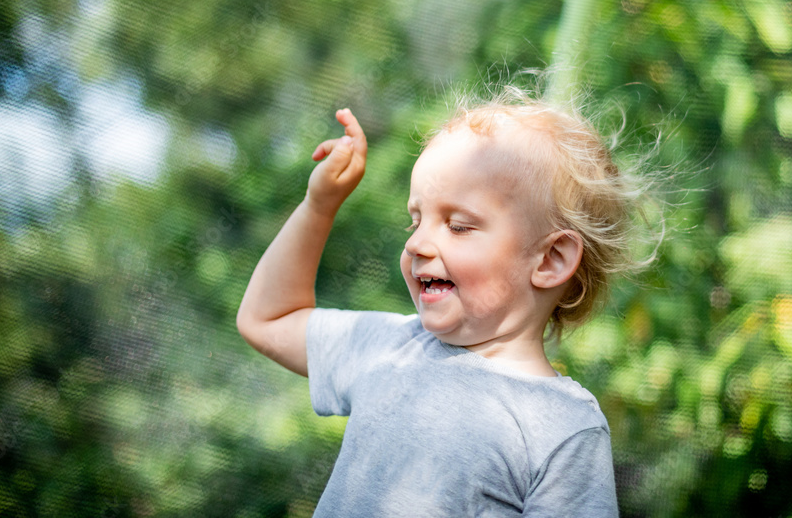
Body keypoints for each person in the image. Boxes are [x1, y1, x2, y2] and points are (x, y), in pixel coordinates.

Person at [237, 90, 639, 516]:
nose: (416, 243)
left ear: (550, 260)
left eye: (459, 226)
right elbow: (267, 319)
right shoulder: (391, 349)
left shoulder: (563, 428)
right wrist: (319, 205)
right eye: (415, 220)